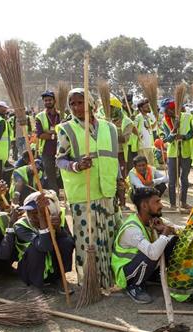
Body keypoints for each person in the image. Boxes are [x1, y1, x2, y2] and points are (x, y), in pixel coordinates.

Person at [56, 88, 122, 289]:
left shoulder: (110, 128)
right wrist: (76, 165)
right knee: (87, 239)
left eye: (80, 103)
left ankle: (109, 280)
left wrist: (120, 182)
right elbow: (59, 160)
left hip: (107, 190)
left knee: (109, 236)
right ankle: (90, 282)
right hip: (83, 193)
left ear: (91, 104)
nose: (77, 107)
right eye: (73, 104)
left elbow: (114, 157)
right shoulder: (66, 129)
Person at [112, 187, 178, 303]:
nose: (161, 205)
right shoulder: (132, 229)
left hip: (140, 264)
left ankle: (152, 276)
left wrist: (168, 230)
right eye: (157, 202)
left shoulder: (151, 220)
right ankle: (134, 286)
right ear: (144, 206)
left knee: (173, 241)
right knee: (151, 252)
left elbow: (177, 229)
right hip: (126, 273)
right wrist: (164, 234)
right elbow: (152, 253)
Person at [14, 191, 74, 293]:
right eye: (30, 212)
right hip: (30, 270)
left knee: (66, 242)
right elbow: (44, 246)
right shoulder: (20, 226)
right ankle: (37, 283)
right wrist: (43, 220)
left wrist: (58, 228)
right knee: (35, 248)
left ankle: (58, 277)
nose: (33, 217)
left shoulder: (57, 217)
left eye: (37, 212)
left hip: (52, 266)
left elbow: (70, 242)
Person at [161, 98, 193, 211]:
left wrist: (184, 137)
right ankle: (173, 204)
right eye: (165, 110)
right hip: (172, 154)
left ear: (175, 109)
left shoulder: (188, 117)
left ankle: (183, 202)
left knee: (184, 178)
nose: (166, 113)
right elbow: (167, 139)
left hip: (185, 153)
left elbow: (192, 133)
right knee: (172, 180)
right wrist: (174, 128)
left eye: (168, 110)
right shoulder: (165, 121)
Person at [35, 90, 62, 192]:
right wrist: (55, 135)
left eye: (49, 100)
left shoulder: (61, 115)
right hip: (47, 151)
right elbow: (40, 134)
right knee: (50, 175)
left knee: (64, 173)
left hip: (62, 150)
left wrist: (50, 132)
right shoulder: (39, 117)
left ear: (54, 101)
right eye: (45, 100)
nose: (47, 102)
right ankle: (55, 196)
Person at [135, 98, 157, 166]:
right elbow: (133, 127)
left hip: (149, 145)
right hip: (142, 146)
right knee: (144, 166)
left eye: (148, 106)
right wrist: (138, 135)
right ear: (141, 108)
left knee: (151, 165)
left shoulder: (147, 117)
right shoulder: (138, 117)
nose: (148, 107)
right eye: (146, 106)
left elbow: (151, 128)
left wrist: (156, 120)